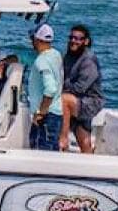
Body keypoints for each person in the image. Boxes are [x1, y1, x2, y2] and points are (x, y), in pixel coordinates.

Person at [60, 23, 104, 153]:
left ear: (86, 41)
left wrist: (62, 87)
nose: (73, 41)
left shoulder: (88, 60)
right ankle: (89, 166)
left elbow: (80, 88)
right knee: (84, 142)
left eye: (78, 39)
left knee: (64, 100)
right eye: (71, 38)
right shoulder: (68, 56)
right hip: (78, 100)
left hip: (90, 102)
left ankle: (63, 139)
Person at [24, 23, 64, 151]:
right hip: (56, 114)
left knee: (39, 151)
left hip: (46, 116)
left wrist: (41, 113)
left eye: (32, 39)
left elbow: (50, 89)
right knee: (52, 152)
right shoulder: (56, 55)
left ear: (37, 40)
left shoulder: (41, 61)